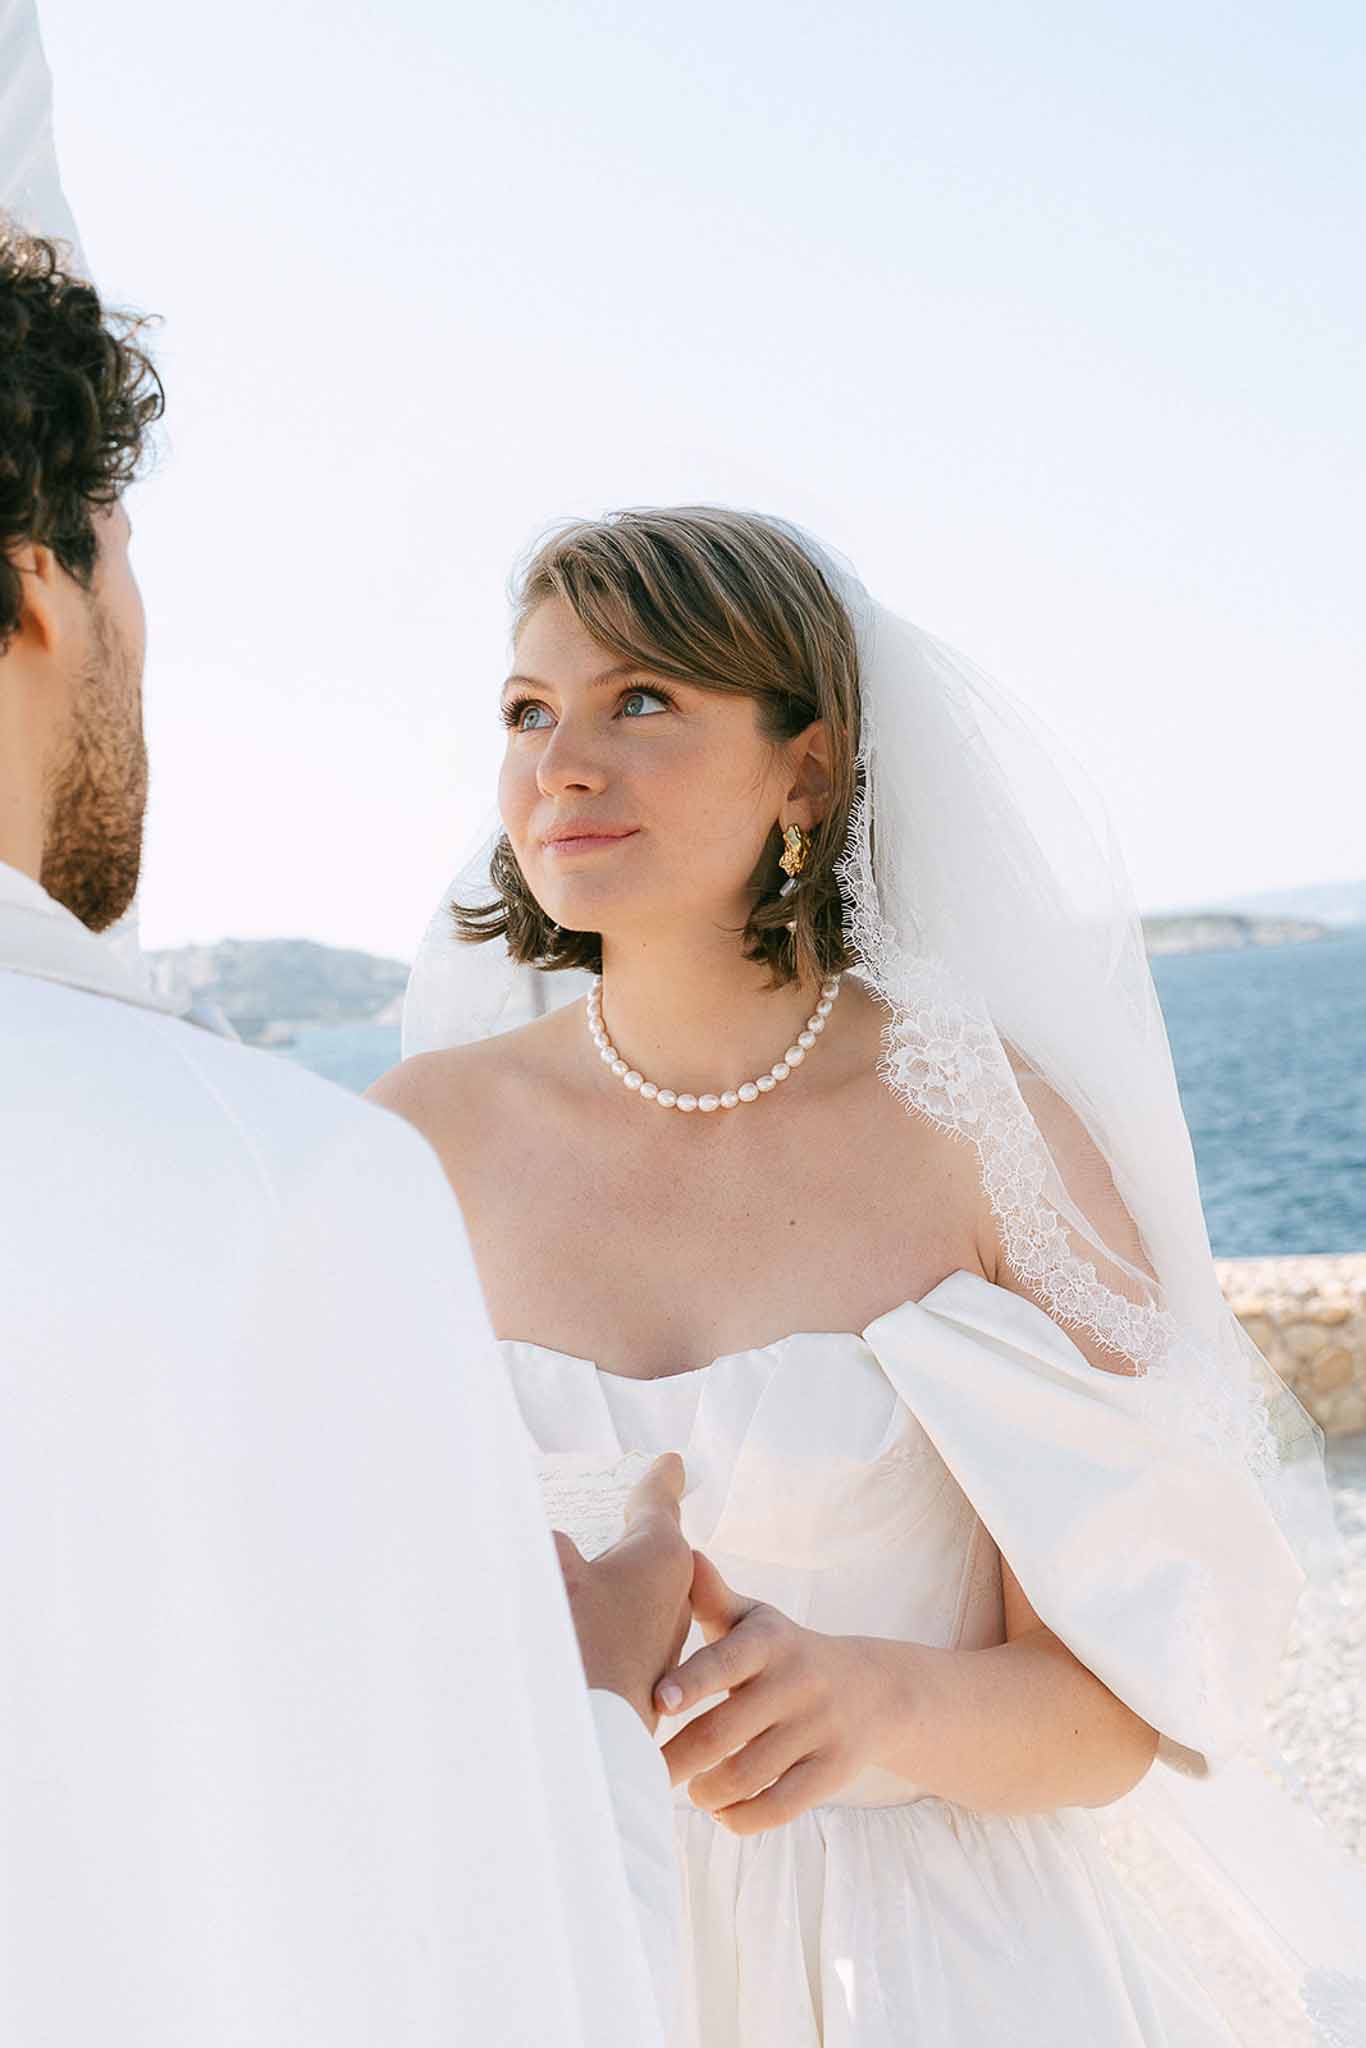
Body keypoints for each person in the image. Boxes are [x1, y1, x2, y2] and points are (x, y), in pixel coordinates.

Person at [380, 504, 1366, 2045]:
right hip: (560, 1950)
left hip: (932, 1971)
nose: (560, 761)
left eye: (642, 699)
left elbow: (1123, 1705)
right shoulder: (412, 1146)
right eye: (528, 710)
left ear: (811, 768)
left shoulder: (989, 1137)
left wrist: (876, 1704)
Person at [0, 14, 690, 2041]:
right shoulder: (277, 1191)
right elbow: (503, 1980)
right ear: (36, 589)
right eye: (125, 557)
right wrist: (583, 1684)